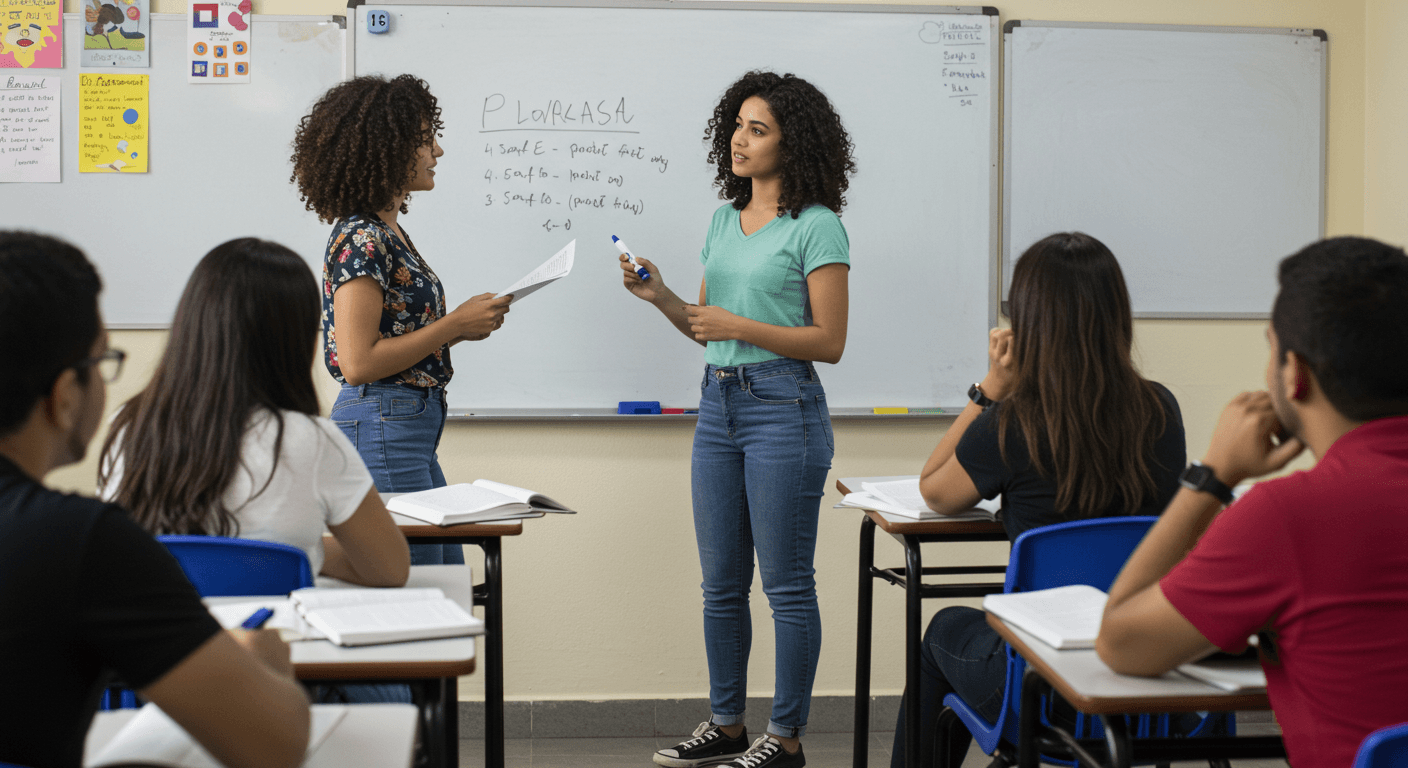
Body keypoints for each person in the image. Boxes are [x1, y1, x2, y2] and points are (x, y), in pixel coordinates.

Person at [0, 231, 310, 768]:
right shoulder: (82, 542)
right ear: (65, 396)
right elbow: (272, 745)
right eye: (104, 361)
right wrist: (263, 659)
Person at [1098, 236, 1408, 768]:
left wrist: (1212, 479)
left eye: (1271, 347)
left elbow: (1123, 644)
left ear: (1295, 373)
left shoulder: (1288, 515)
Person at [621, 71, 855, 768]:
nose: (739, 139)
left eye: (759, 129)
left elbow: (830, 341)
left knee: (786, 584)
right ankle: (725, 725)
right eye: (738, 124)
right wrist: (659, 294)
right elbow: (704, 326)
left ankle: (783, 738)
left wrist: (736, 323)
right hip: (719, 403)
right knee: (721, 582)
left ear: (794, 145)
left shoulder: (817, 226)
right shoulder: (725, 220)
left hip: (785, 407)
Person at [894, 232, 1187, 768]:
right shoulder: (1161, 410)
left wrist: (990, 389)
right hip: (1149, 682)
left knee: (941, 629)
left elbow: (934, 489)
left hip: (1041, 691)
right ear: (1116, 314)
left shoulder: (1013, 423)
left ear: (1030, 321)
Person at [99, 238, 410, 590]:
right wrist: (300, 552)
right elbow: (390, 569)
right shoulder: (311, 439)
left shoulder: (128, 425)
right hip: (276, 639)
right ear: (295, 339)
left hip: (158, 641)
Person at [290, 73, 512, 565]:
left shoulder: (389, 233)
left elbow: (395, 338)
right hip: (383, 422)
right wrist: (454, 325)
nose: (437, 151)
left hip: (404, 426)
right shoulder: (362, 237)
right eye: (424, 139)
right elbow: (358, 363)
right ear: (384, 149)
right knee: (426, 582)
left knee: (443, 573)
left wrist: (460, 327)